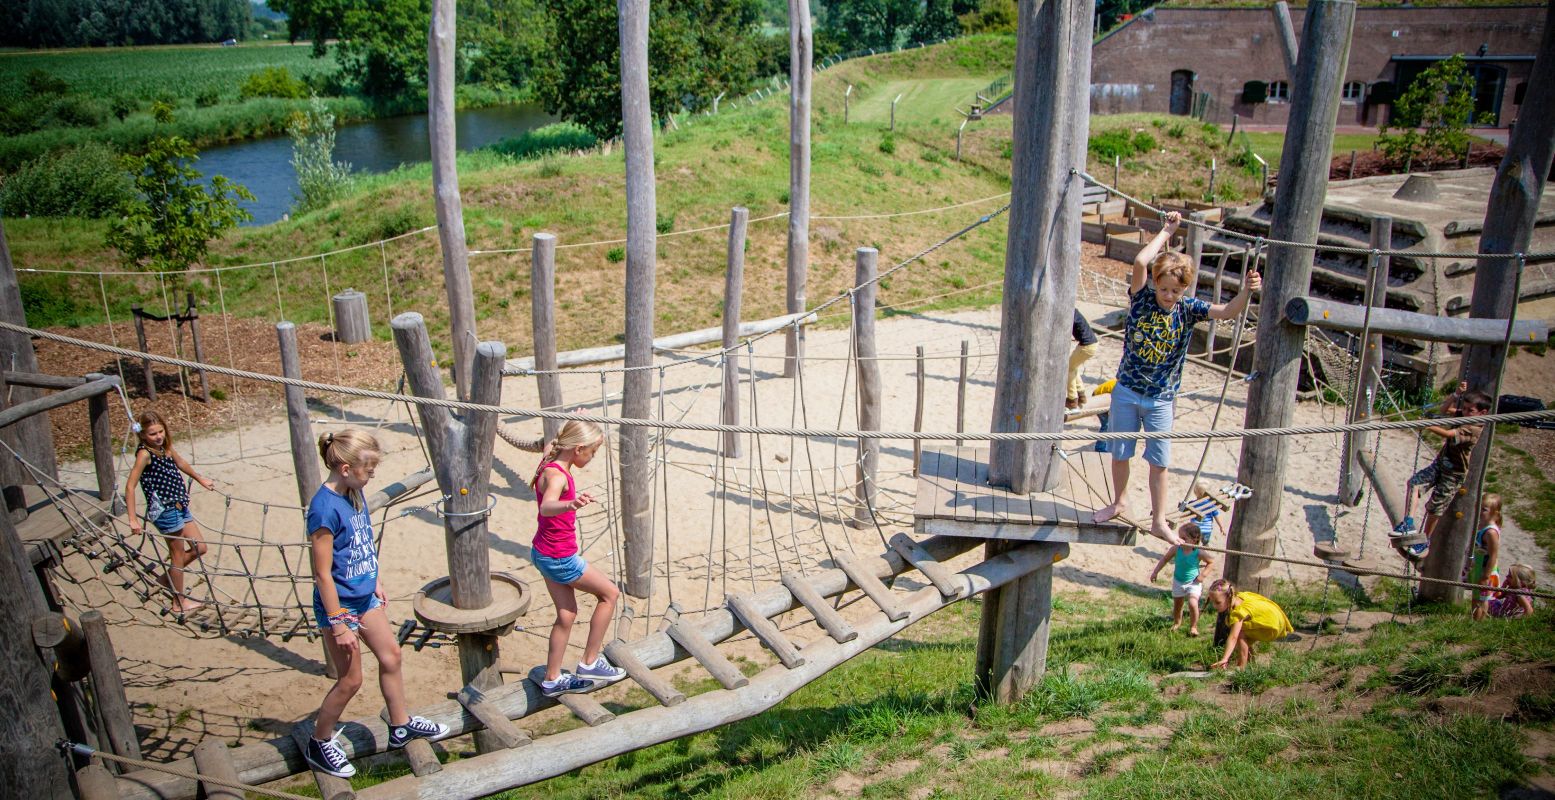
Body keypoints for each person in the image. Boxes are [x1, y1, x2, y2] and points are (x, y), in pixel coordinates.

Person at [1092, 211, 1262, 544]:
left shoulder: (1189, 308)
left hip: (1160, 399)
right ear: (1155, 283)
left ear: (1184, 289)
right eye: (1164, 287)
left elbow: (1227, 312)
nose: (1168, 295)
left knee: (1159, 462)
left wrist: (1247, 291)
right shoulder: (1141, 298)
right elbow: (1141, 261)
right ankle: (1119, 501)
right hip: (1126, 390)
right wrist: (1166, 232)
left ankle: (1158, 520)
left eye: (1175, 289)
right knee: (1120, 453)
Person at [303, 430, 447, 779]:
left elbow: (362, 541)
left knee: (391, 656)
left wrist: (375, 577)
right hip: (340, 606)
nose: (373, 474)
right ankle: (319, 742)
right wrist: (338, 623)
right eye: (368, 468)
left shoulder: (355, 492)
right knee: (351, 680)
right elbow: (322, 575)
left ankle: (401, 725)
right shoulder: (323, 510)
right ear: (346, 468)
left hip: (364, 595)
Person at [531, 420, 627, 697]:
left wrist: (575, 417)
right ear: (578, 449)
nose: (592, 457)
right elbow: (548, 505)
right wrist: (570, 504)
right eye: (592, 452)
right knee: (610, 594)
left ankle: (552, 679)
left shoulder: (550, 458)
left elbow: (556, 439)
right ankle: (590, 662)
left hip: (542, 552)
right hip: (560, 557)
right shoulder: (559, 476)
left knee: (566, 614)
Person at [124, 410, 214, 613]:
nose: (158, 437)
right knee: (177, 555)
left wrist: (201, 479)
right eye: (152, 434)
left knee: (200, 547)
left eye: (160, 431)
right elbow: (130, 486)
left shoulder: (165, 448)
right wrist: (132, 519)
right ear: (143, 435)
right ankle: (179, 603)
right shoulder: (145, 454)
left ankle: (167, 579)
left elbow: (180, 463)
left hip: (180, 505)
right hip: (165, 510)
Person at [1394, 390, 1493, 559]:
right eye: (1465, 407)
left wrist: (1427, 425)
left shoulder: (1474, 429)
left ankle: (1424, 540)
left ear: (1482, 414)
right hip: (1440, 464)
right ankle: (1408, 523)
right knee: (1415, 483)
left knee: (1435, 507)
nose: (1465, 411)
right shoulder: (1464, 415)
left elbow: (1449, 434)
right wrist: (1456, 395)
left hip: (1454, 473)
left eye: (1470, 410)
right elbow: (1445, 410)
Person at [1207, 579, 1292, 669]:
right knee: (1241, 631)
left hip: (1272, 626)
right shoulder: (1238, 596)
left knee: (1240, 633)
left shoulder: (1239, 612)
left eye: (1217, 602)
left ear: (1229, 597)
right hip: (1276, 618)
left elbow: (1233, 637)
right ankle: (1250, 662)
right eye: (1212, 601)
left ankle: (1241, 667)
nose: (1214, 606)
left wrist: (1225, 658)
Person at [1149, 522, 1213, 636]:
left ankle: (1193, 627)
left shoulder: (1198, 552)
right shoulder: (1176, 549)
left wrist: (1202, 576)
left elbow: (1211, 562)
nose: (1180, 540)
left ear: (1194, 540)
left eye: (1184, 538)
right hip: (1178, 581)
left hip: (1193, 582)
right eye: (1179, 537)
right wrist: (1155, 572)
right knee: (1178, 605)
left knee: (1193, 603)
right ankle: (1177, 623)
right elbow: (1164, 559)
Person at [1465, 493, 1502, 621]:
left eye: (1484, 509)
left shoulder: (1491, 532)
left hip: (1486, 570)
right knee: (1476, 596)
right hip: (1478, 567)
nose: (1480, 512)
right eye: (1479, 508)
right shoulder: (1481, 527)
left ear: (1495, 513)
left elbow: (1493, 555)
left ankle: (1479, 622)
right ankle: (1474, 619)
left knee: (1482, 598)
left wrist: (1486, 576)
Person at [1067, 310, 1099, 411]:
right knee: (1073, 366)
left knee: (1068, 369)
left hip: (1086, 346)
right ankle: (1081, 394)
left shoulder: (1069, 311)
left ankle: (1072, 400)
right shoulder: (1074, 311)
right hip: (1090, 344)